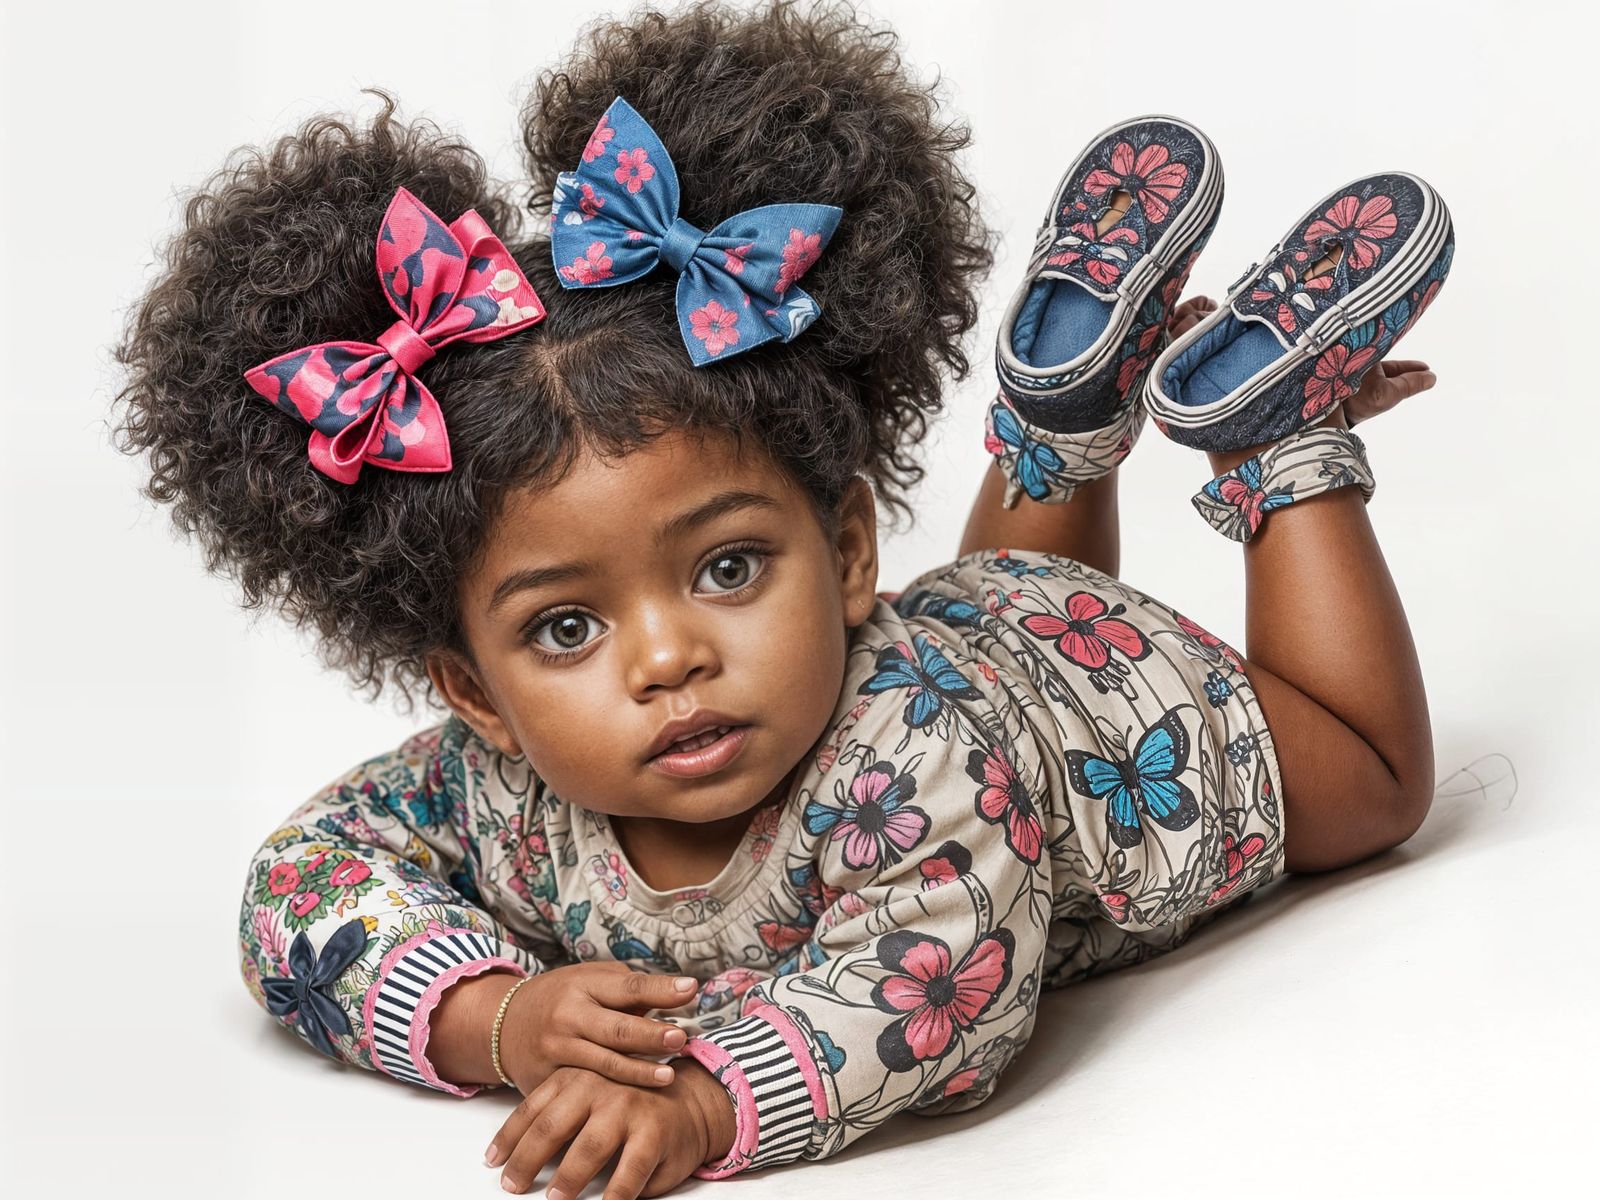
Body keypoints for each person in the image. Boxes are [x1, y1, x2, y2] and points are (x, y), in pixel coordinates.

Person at [109, 2, 1450, 1196]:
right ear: (476, 691)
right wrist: (495, 1017)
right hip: (1000, 629)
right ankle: (1058, 417)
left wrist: (702, 1103)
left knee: (1374, 788)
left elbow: (937, 985)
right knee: (1024, 607)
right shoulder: (492, 784)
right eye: (565, 629)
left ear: (848, 548)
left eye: (728, 568)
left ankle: (1275, 437)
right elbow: (300, 884)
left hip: (1121, 723)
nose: (671, 655)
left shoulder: (912, 765)